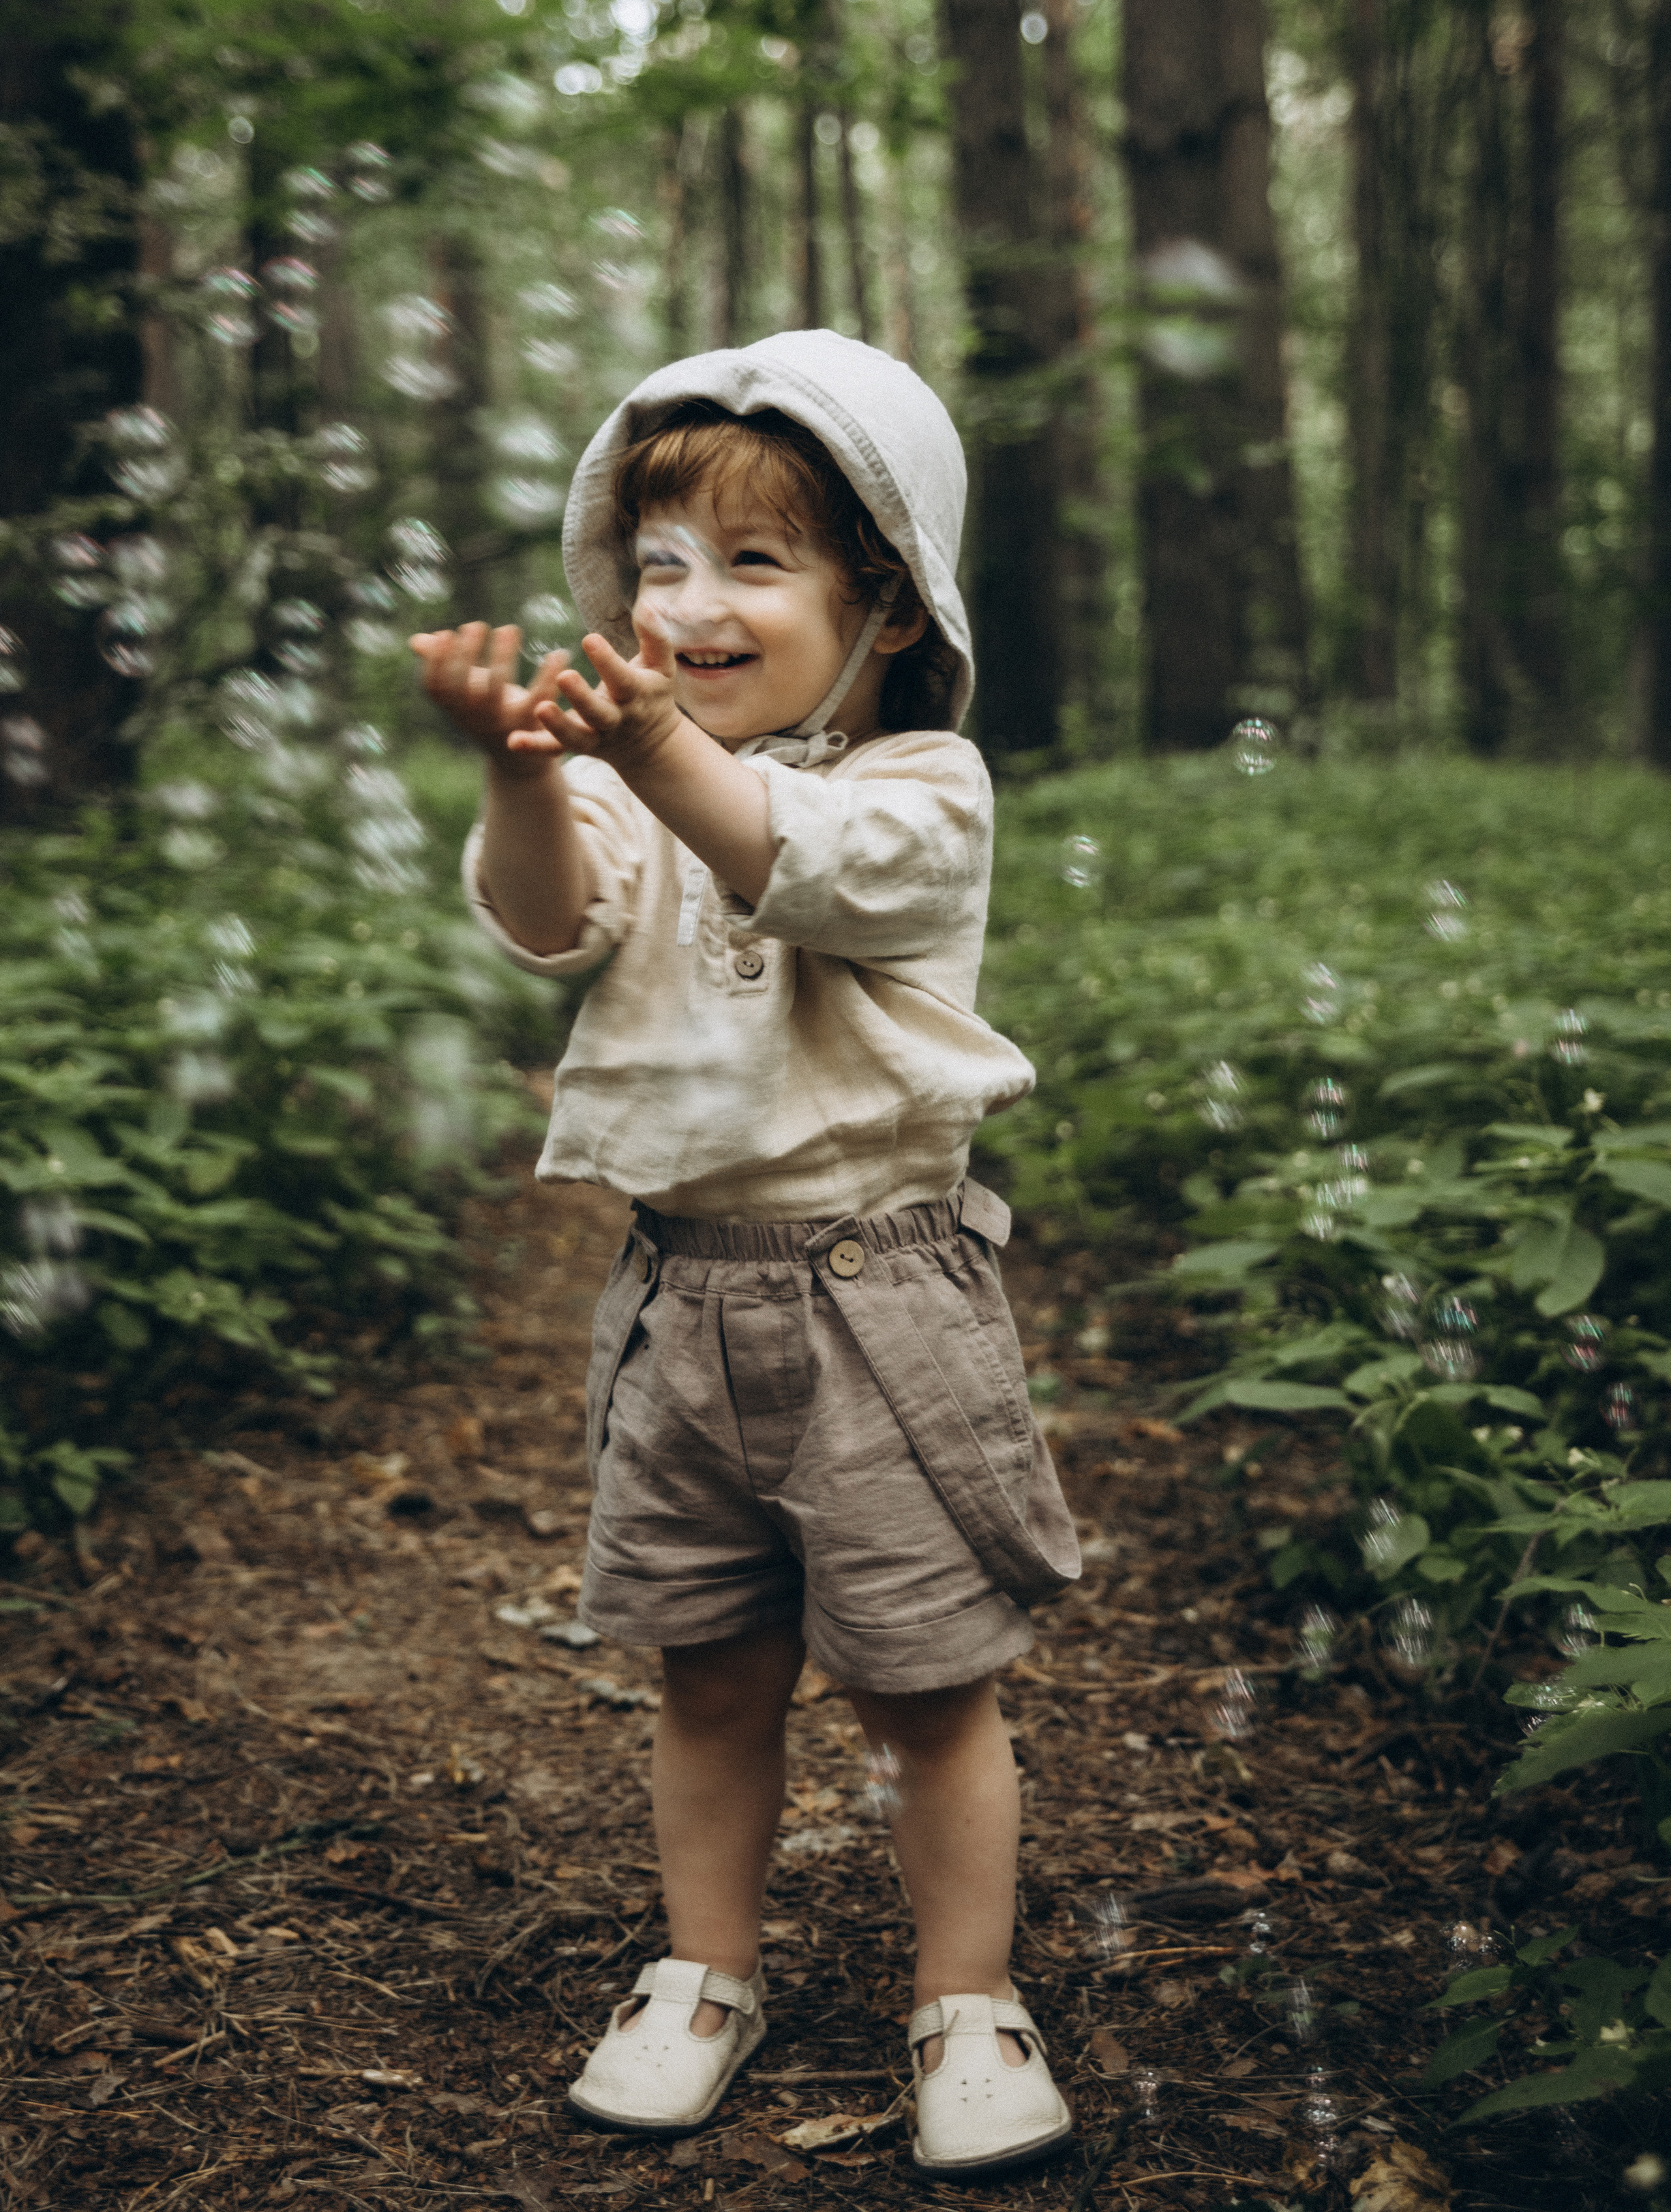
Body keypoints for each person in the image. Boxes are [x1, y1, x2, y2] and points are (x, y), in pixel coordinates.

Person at [412, 330, 1081, 2177]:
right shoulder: (631, 778)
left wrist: (644, 745)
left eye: (755, 562)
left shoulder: (927, 786)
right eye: (659, 562)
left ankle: (968, 1997)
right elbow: (547, 920)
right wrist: (523, 772)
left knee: (927, 1684)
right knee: (706, 1670)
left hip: (885, 1297)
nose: (690, 603)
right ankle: (705, 1972)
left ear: (889, 605)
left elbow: (800, 858)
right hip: (680, 1300)